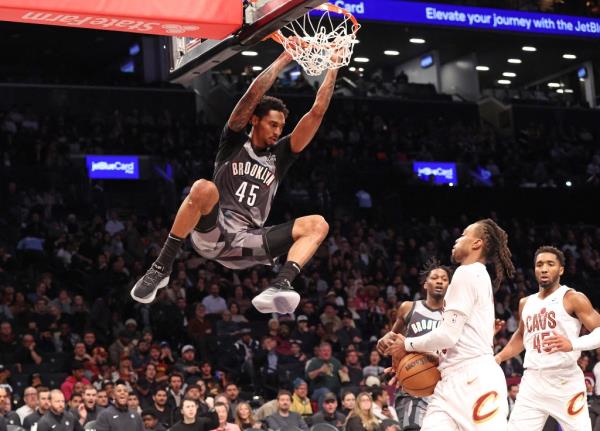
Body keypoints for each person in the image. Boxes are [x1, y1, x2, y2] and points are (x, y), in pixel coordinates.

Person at [131, 45, 339, 315]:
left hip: (250, 240)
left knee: (318, 224)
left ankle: (281, 282)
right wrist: (286, 56)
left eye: (281, 127)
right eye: (272, 124)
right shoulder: (232, 142)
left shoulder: (283, 154)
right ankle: (161, 267)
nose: (278, 132)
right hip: (213, 233)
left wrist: (333, 66)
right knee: (203, 188)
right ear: (255, 120)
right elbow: (253, 94)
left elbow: (316, 113)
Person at [385, 218, 515, 430]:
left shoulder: (467, 273)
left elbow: (447, 336)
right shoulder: (475, 275)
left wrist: (407, 345)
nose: (457, 239)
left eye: (464, 235)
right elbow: (455, 342)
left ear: (477, 244)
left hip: (475, 381)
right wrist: (414, 363)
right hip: (450, 382)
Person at [495, 245, 600, 431]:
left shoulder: (572, 297)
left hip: (565, 380)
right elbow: (520, 337)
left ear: (561, 269)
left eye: (550, 264)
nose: (544, 268)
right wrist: (500, 357)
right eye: (539, 264)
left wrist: (573, 344)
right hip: (532, 381)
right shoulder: (525, 303)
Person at [376, 260, 451, 430]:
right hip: (413, 379)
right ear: (426, 284)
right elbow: (393, 340)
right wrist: (384, 341)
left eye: (444, 279)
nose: (439, 281)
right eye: (435, 277)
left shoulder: (453, 315)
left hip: (442, 384)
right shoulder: (408, 308)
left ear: (449, 285)